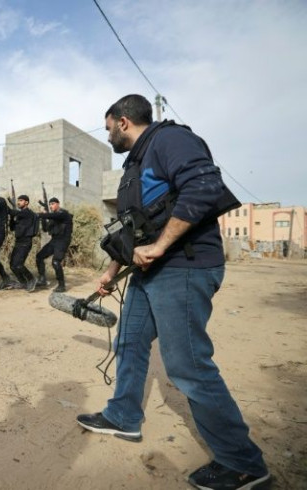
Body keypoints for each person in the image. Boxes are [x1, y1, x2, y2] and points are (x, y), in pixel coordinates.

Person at [76, 94, 271, 490]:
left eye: (108, 125)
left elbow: (204, 186)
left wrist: (162, 245)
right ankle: (124, 417)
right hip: (150, 272)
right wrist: (112, 272)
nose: (108, 132)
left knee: (187, 365)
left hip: (184, 265)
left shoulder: (170, 141)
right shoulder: (134, 164)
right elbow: (134, 229)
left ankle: (243, 463)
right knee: (129, 342)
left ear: (123, 121)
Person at [35, 197, 73, 292]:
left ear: (58, 204)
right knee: (39, 256)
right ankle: (42, 279)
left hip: (63, 241)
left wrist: (40, 215)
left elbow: (54, 216)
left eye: (53, 204)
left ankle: (61, 285)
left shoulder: (63, 213)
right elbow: (45, 229)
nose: (51, 206)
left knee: (55, 262)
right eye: (50, 204)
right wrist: (43, 217)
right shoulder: (52, 217)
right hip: (54, 241)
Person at [7, 195, 38, 292]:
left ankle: (32, 280)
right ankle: (23, 282)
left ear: (26, 202)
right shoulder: (20, 215)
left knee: (19, 264)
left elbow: (13, 212)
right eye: (18, 200)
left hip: (26, 242)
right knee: (12, 265)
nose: (18, 202)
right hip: (18, 242)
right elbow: (12, 228)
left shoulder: (28, 213)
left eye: (21, 200)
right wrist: (12, 218)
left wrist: (4, 205)